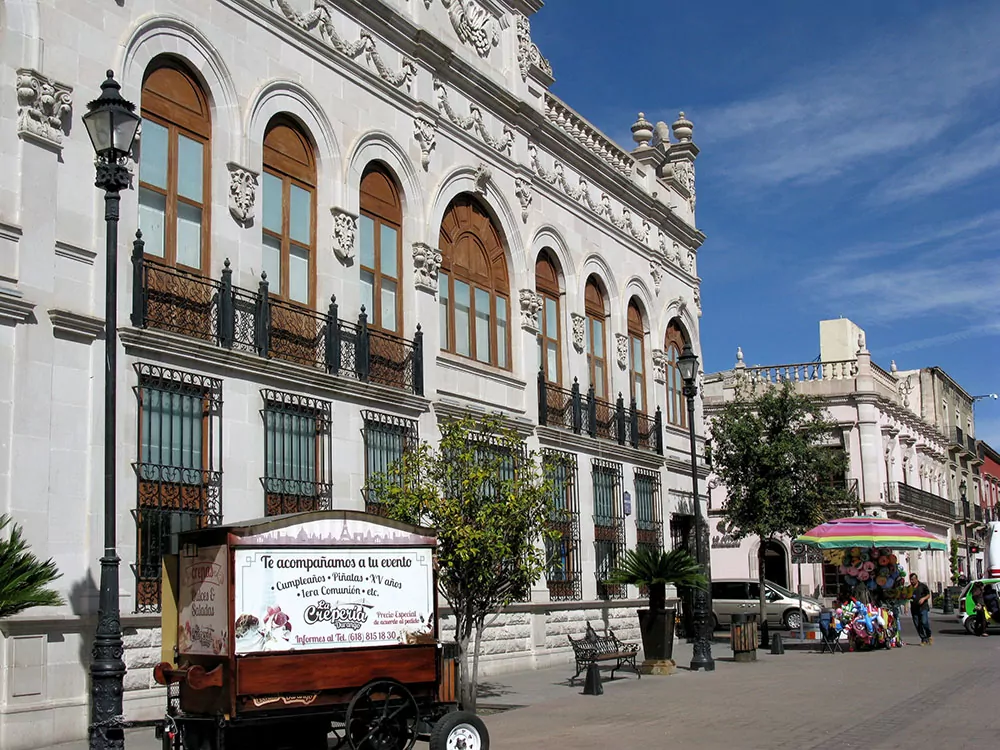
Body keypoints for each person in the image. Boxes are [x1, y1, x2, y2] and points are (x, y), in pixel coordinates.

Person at [909, 573, 932, 645]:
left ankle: (929, 635)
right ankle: (923, 639)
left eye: (913, 579)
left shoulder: (922, 586)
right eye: (911, 580)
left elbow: (928, 595)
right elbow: (907, 597)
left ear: (916, 579)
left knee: (924, 622)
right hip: (914, 609)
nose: (912, 581)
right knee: (917, 624)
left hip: (923, 607)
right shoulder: (909, 588)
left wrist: (923, 598)